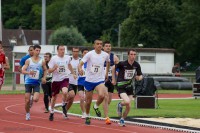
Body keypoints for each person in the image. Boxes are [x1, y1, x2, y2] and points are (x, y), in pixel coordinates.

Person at [78, 39, 111, 125]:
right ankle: (88, 115)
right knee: (88, 102)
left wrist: (106, 72)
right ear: (94, 45)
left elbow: (108, 62)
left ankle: (96, 106)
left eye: (101, 44)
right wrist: (80, 69)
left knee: (102, 95)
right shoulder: (89, 54)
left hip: (99, 80)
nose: (99, 45)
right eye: (97, 44)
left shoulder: (105, 55)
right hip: (89, 81)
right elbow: (80, 63)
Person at [112, 49, 143, 126]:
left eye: (134, 54)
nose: (133, 56)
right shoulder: (122, 63)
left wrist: (139, 78)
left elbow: (140, 75)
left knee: (128, 106)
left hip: (129, 86)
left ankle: (122, 119)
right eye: (131, 54)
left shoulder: (136, 65)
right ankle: (120, 104)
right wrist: (113, 79)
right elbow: (113, 68)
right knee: (127, 101)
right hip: (121, 85)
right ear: (128, 55)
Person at [48, 45, 76, 121]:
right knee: (54, 98)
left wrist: (73, 73)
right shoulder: (54, 59)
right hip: (56, 80)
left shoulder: (67, 57)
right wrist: (54, 68)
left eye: (63, 49)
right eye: (61, 49)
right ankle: (52, 112)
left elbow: (69, 65)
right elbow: (49, 70)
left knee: (65, 91)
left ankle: (63, 105)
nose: (62, 51)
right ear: (58, 50)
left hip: (65, 78)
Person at [22, 44, 47, 120]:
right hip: (28, 82)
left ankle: (32, 98)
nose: (38, 52)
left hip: (36, 82)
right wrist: (29, 73)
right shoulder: (28, 60)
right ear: (33, 50)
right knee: (26, 101)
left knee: (36, 99)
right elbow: (23, 70)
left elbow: (45, 70)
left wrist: (44, 77)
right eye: (37, 50)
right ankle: (27, 114)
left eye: (39, 50)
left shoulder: (42, 61)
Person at [102, 41, 119, 119]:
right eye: (106, 46)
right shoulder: (100, 56)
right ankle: (106, 116)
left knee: (109, 99)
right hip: (103, 79)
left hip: (111, 79)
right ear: (103, 47)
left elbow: (118, 67)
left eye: (109, 46)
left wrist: (116, 74)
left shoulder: (114, 57)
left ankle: (105, 111)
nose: (108, 47)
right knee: (105, 97)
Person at [65, 47, 80, 118]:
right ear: (72, 52)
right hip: (68, 80)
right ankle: (63, 102)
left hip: (76, 82)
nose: (75, 53)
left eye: (77, 51)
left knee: (72, 100)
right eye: (74, 51)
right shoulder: (69, 59)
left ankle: (65, 111)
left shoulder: (80, 61)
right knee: (72, 95)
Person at [77, 48, 89, 118]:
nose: (86, 54)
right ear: (82, 54)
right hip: (80, 82)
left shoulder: (90, 62)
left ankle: (87, 112)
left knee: (87, 99)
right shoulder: (79, 61)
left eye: (87, 53)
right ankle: (83, 113)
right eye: (84, 53)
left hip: (88, 82)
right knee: (82, 98)